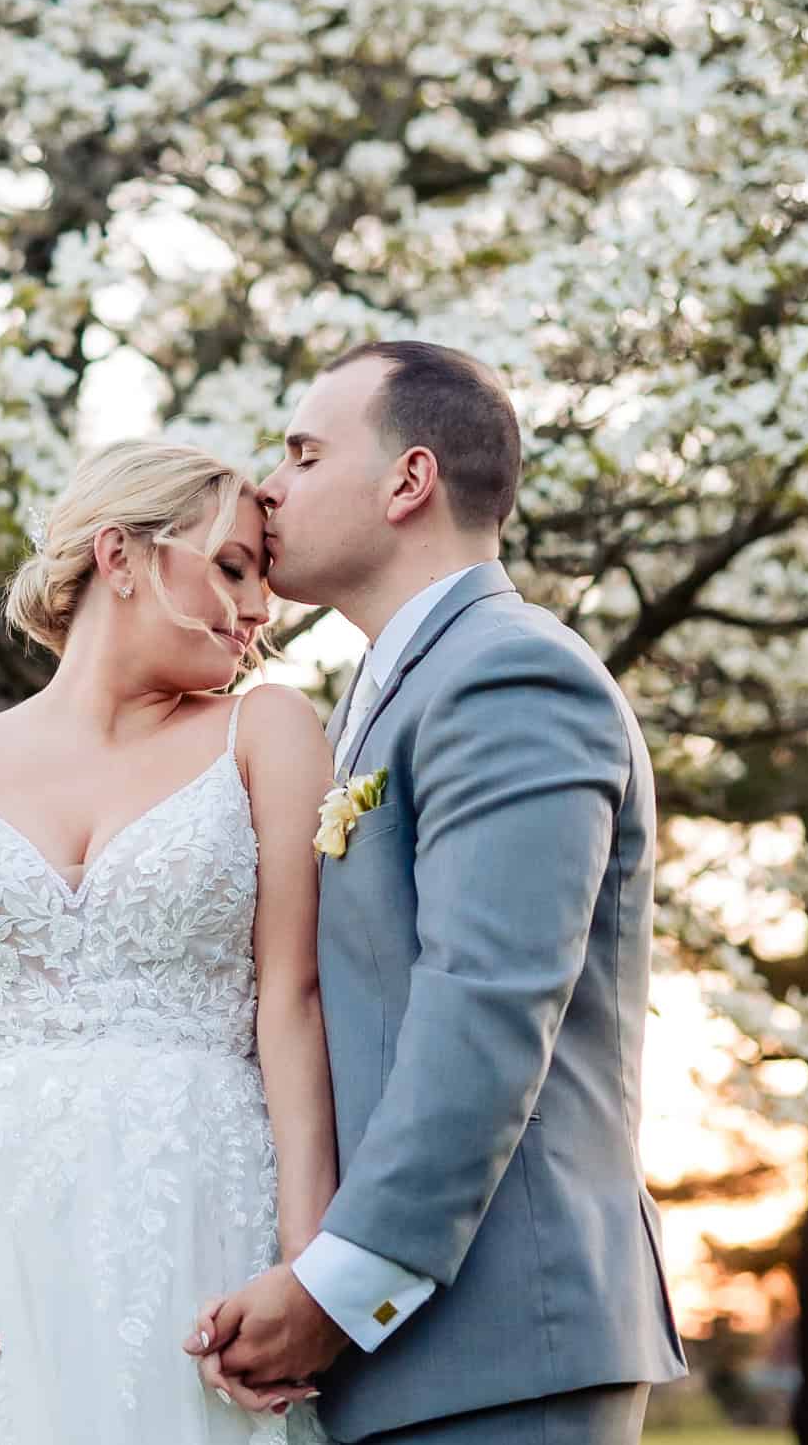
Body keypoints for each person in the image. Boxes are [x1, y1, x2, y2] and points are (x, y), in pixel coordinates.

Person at [187, 342, 689, 1443]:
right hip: (412, 1355)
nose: (269, 489)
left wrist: (340, 1285)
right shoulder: (387, 691)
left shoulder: (511, 673)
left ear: (408, 480)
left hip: (502, 1346)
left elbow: (488, 1002)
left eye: (303, 454)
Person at [0, 438, 339, 1442]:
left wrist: (307, 1264)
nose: (260, 611)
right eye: (233, 568)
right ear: (120, 555)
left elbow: (294, 1003)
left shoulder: (265, 731)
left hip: (192, 1200)